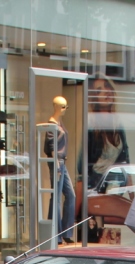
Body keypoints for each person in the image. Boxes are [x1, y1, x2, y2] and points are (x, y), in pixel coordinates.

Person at [86, 76, 129, 192]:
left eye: (107, 86)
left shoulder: (117, 123)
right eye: (99, 90)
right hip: (96, 183)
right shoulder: (92, 125)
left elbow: (126, 161)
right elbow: (83, 165)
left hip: (114, 183)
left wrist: (133, 196)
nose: (106, 91)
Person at [44, 96, 76, 243]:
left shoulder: (59, 123)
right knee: (56, 197)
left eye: (66, 107)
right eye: (63, 107)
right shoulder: (52, 124)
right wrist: (56, 163)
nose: (64, 110)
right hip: (57, 162)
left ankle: (66, 232)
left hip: (62, 162)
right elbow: (51, 146)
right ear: (56, 107)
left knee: (70, 195)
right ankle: (55, 234)